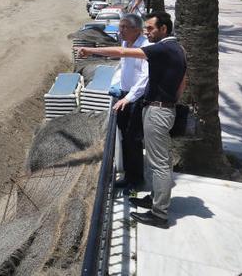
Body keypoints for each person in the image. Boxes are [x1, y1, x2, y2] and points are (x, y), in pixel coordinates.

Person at [77, 12, 187, 228]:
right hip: (164, 108)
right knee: (161, 161)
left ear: (164, 29)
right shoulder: (178, 49)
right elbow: (183, 81)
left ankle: (159, 213)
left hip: (158, 111)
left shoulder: (162, 48)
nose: (147, 32)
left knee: (159, 164)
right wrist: (171, 101)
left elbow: (120, 51)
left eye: (151, 28)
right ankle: (155, 199)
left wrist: (90, 50)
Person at [109, 13, 150, 192]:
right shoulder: (126, 44)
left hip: (136, 99)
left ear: (137, 30)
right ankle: (127, 177)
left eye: (125, 27)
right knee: (125, 139)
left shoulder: (145, 47)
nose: (121, 30)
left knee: (133, 141)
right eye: (120, 26)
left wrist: (129, 98)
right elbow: (123, 68)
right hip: (124, 97)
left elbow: (144, 78)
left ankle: (137, 181)